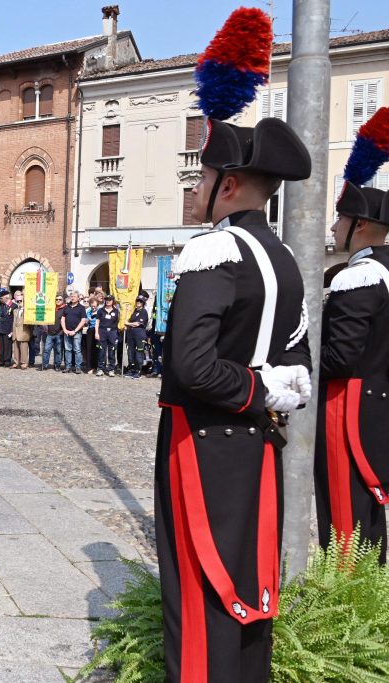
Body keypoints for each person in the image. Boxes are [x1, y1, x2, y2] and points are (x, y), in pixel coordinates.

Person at [155, 10, 313, 679]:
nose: (194, 190)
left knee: (198, 600)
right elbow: (300, 368)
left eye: (201, 178)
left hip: (202, 444)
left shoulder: (213, 251)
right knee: (247, 593)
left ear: (229, 185)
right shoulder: (284, 258)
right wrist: (269, 390)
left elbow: (192, 366)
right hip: (258, 447)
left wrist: (253, 387)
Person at [315, 109, 389, 565]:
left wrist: (299, 367)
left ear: (359, 224)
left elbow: (340, 356)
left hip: (349, 406)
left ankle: (345, 599)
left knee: (345, 516)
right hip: (377, 401)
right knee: (369, 517)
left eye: (338, 220)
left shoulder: (357, 276)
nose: (333, 228)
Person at [60, 292, 86, 373]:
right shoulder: (66, 307)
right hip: (67, 332)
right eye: (71, 296)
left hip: (77, 333)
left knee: (77, 350)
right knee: (67, 350)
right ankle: (68, 367)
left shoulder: (81, 308)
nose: (72, 297)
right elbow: (62, 319)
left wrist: (75, 331)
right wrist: (65, 330)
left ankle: (78, 367)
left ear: (78, 298)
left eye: (74, 296)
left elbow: (83, 320)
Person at [125, 295, 149, 379]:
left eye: (140, 301)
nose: (138, 302)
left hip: (139, 334)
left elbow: (137, 323)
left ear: (143, 303)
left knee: (139, 353)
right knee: (130, 352)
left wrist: (128, 323)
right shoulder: (134, 311)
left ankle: (138, 371)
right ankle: (132, 369)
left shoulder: (143, 312)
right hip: (131, 334)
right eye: (137, 301)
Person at [95, 294, 120, 377]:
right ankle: (100, 368)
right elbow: (97, 322)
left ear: (113, 301)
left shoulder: (116, 311)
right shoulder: (100, 310)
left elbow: (119, 322)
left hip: (112, 332)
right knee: (101, 351)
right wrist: (96, 333)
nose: (108, 301)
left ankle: (111, 369)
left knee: (112, 351)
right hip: (102, 331)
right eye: (107, 300)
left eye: (110, 300)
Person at [10, 289, 32, 369]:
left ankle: (24, 363)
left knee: (23, 349)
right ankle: (16, 362)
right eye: (17, 301)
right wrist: (12, 331)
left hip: (24, 332)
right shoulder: (15, 310)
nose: (19, 302)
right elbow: (14, 322)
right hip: (15, 332)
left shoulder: (27, 310)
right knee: (16, 349)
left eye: (20, 301)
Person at [0, 291, 14, 367]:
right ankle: (1, 360)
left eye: (1, 298)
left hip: (8, 329)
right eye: (0, 298)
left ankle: (7, 360)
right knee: (1, 346)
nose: (0, 300)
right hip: (0, 328)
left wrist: (12, 330)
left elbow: (14, 319)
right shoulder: (0, 305)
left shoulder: (13, 306)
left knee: (7, 346)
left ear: (6, 297)